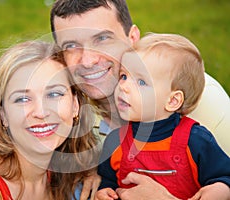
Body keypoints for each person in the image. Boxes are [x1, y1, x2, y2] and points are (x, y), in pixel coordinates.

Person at [50, 0, 230, 199]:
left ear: (132, 38)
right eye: (71, 46)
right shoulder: (69, 110)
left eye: (102, 38)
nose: (88, 61)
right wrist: (99, 179)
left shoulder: (205, 100)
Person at [0, 40, 99, 200]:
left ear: (75, 105)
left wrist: (98, 174)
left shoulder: (63, 173)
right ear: (2, 114)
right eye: (23, 99)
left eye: (54, 94)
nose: (41, 112)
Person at [96, 33, 230, 200]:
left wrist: (219, 190)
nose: (123, 87)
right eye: (124, 76)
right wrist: (104, 191)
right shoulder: (115, 142)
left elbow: (224, 177)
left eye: (141, 82)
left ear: (173, 100)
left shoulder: (196, 140)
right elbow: (107, 180)